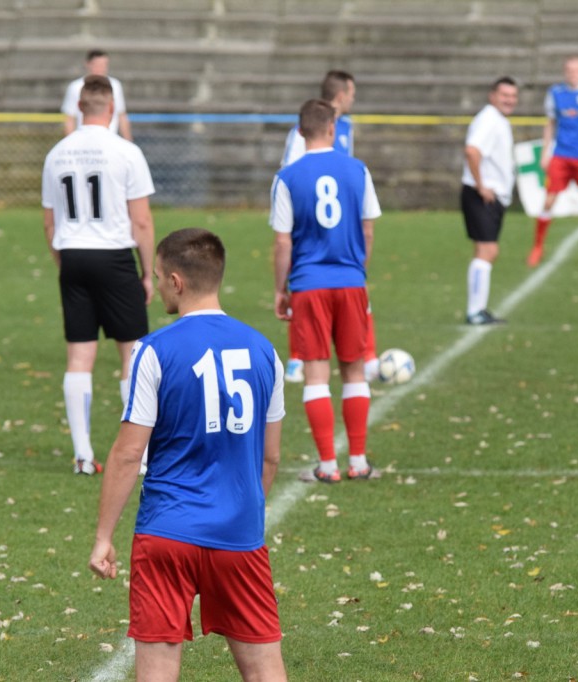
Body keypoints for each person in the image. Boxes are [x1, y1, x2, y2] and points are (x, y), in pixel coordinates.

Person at [88, 228, 287, 682]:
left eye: (158, 277)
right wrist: (245, 514)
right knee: (264, 672)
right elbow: (270, 458)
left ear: (177, 281)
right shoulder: (265, 352)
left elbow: (126, 454)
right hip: (239, 535)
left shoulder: (154, 350)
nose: (156, 287)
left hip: (167, 533)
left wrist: (103, 536)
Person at [41, 75, 155, 475]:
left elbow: (49, 224)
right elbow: (140, 221)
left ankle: (83, 455)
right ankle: (138, 455)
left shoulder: (57, 153)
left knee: (79, 356)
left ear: (79, 108)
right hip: (113, 256)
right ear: (110, 109)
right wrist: (147, 273)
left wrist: (63, 265)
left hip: (72, 256)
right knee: (132, 354)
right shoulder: (125, 151)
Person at [271, 99, 381, 483]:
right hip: (351, 282)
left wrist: (280, 290)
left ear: (300, 133)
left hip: (308, 285)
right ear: (333, 129)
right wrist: (357, 272)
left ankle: (328, 466)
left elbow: (283, 243)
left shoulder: (287, 177)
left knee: (316, 373)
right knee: (354, 370)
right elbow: (368, 230)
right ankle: (360, 462)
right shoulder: (358, 169)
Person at [279, 70, 379, 384]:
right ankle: (297, 358)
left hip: (338, 214)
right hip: (312, 219)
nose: (354, 98)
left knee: (321, 286)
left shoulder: (342, 126)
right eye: (351, 92)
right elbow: (295, 170)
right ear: (340, 94)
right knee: (312, 284)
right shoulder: (308, 128)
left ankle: (370, 355)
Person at [527, 55, 578, 268]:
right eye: (569, 70)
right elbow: (551, 123)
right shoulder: (556, 93)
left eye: (576, 70)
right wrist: (546, 152)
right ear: (565, 72)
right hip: (561, 155)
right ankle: (537, 247)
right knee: (548, 200)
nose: (572, 74)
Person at [461, 77, 519, 325]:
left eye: (513, 96)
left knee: (485, 251)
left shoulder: (497, 120)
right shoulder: (488, 119)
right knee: (487, 250)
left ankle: (478, 308)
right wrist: (481, 184)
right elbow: (472, 150)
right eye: (504, 95)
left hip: (491, 195)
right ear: (492, 95)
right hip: (482, 194)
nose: (509, 100)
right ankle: (475, 311)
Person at [61, 49, 132, 140]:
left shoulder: (115, 85)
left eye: (104, 65)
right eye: (97, 65)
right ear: (88, 64)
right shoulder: (75, 87)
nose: (101, 68)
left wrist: (128, 141)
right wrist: (71, 142)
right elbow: (69, 118)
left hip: (109, 140)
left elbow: (121, 115)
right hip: (84, 140)